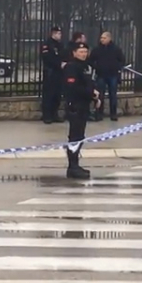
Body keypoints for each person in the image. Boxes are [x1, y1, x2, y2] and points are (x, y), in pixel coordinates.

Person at [62, 42, 99, 179]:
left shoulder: (86, 67)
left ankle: (75, 164)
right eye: (81, 51)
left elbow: (89, 83)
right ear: (74, 53)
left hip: (84, 105)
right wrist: (90, 93)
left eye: (85, 51)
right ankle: (72, 166)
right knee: (74, 137)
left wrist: (94, 95)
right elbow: (73, 88)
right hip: (75, 105)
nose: (83, 54)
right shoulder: (71, 67)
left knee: (80, 137)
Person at [89, 31, 126, 121]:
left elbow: (122, 60)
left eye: (104, 38)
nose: (102, 40)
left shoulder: (116, 49)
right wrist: (96, 67)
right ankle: (99, 113)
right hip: (101, 74)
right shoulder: (97, 49)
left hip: (112, 75)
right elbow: (90, 60)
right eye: (101, 38)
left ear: (109, 38)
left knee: (112, 95)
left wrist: (116, 67)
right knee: (100, 95)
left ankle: (113, 113)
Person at [39, 26, 65, 124]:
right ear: (53, 33)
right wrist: (59, 64)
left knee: (57, 94)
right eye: (58, 33)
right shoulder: (47, 44)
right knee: (48, 94)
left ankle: (55, 114)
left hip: (59, 73)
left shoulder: (60, 45)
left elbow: (63, 55)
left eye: (60, 33)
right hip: (50, 72)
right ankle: (47, 115)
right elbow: (47, 58)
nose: (60, 35)